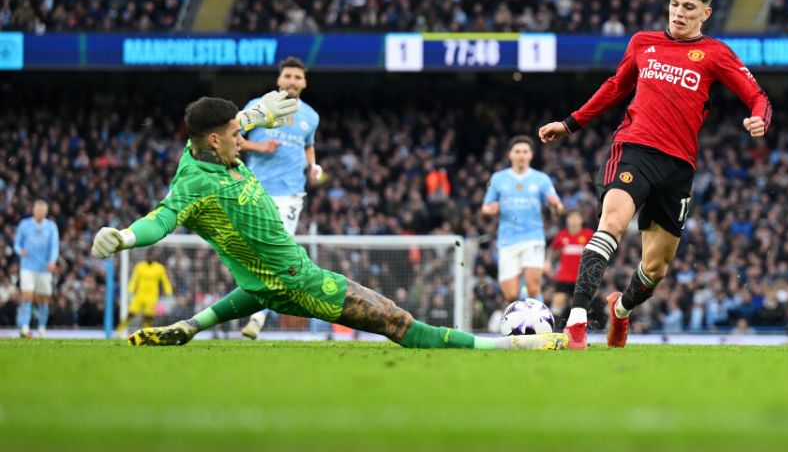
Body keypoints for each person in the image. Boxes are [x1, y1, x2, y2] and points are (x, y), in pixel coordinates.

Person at [90, 93, 567, 351]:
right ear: (214, 141)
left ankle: (191, 326)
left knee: (256, 287)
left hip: (266, 278)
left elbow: (242, 123)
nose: (245, 139)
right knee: (397, 322)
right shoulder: (194, 184)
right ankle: (508, 349)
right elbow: (162, 219)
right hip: (297, 280)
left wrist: (256, 113)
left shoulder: (208, 148)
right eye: (238, 135)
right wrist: (127, 236)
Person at [538, 0, 771, 349]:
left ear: (705, 14)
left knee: (655, 268)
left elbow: (758, 96)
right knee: (611, 222)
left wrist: (759, 118)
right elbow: (615, 87)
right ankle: (577, 321)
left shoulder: (715, 54)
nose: (678, 13)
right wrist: (571, 123)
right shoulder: (643, 43)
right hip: (633, 150)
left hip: (678, 167)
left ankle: (621, 311)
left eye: (689, 8)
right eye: (674, 4)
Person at [239, 57, 323, 339]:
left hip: (290, 194)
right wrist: (259, 147)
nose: (292, 81)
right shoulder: (259, 106)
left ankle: (257, 317)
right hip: (255, 190)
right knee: (254, 254)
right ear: (279, 79)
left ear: (305, 83)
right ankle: (254, 306)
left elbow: (308, 146)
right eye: (288, 76)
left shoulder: (310, 116)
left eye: (297, 77)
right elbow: (233, 138)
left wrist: (313, 166)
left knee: (276, 251)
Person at [482, 136, 563, 305]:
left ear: (531, 155)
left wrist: (555, 206)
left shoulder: (541, 179)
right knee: (511, 294)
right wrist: (491, 209)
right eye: (517, 151)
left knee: (533, 287)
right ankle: (521, 311)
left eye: (525, 151)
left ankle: (537, 323)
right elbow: (486, 207)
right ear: (510, 155)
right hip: (507, 239)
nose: (521, 155)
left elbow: (558, 208)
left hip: (533, 237)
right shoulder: (497, 178)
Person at [14, 200, 60, 338]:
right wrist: (19, 251)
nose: (39, 213)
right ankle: (24, 327)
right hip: (27, 266)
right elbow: (17, 243)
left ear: (45, 212)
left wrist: (52, 261)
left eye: (42, 211)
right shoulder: (24, 225)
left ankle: (41, 328)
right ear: (33, 211)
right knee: (27, 295)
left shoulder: (51, 227)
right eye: (37, 210)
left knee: (43, 299)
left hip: (44, 268)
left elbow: (54, 246)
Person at [547, 210, 592, 321]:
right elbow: (552, 250)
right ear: (567, 220)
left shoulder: (588, 234)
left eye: (576, 217)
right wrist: (547, 262)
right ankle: (553, 326)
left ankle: (580, 329)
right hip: (564, 277)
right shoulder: (562, 235)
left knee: (580, 306)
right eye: (571, 217)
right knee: (558, 300)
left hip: (582, 278)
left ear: (581, 220)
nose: (574, 220)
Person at [116, 251, 173, 334]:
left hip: (152, 296)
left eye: (152, 256)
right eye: (149, 256)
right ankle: (119, 331)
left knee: (148, 317)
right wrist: (130, 291)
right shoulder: (140, 266)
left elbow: (165, 280)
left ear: (154, 257)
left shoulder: (159, 268)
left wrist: (168, 291)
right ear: (146, 257)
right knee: (131, 314)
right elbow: (134, 280)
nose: (150, 258)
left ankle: (146, 334)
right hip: (140, 295)